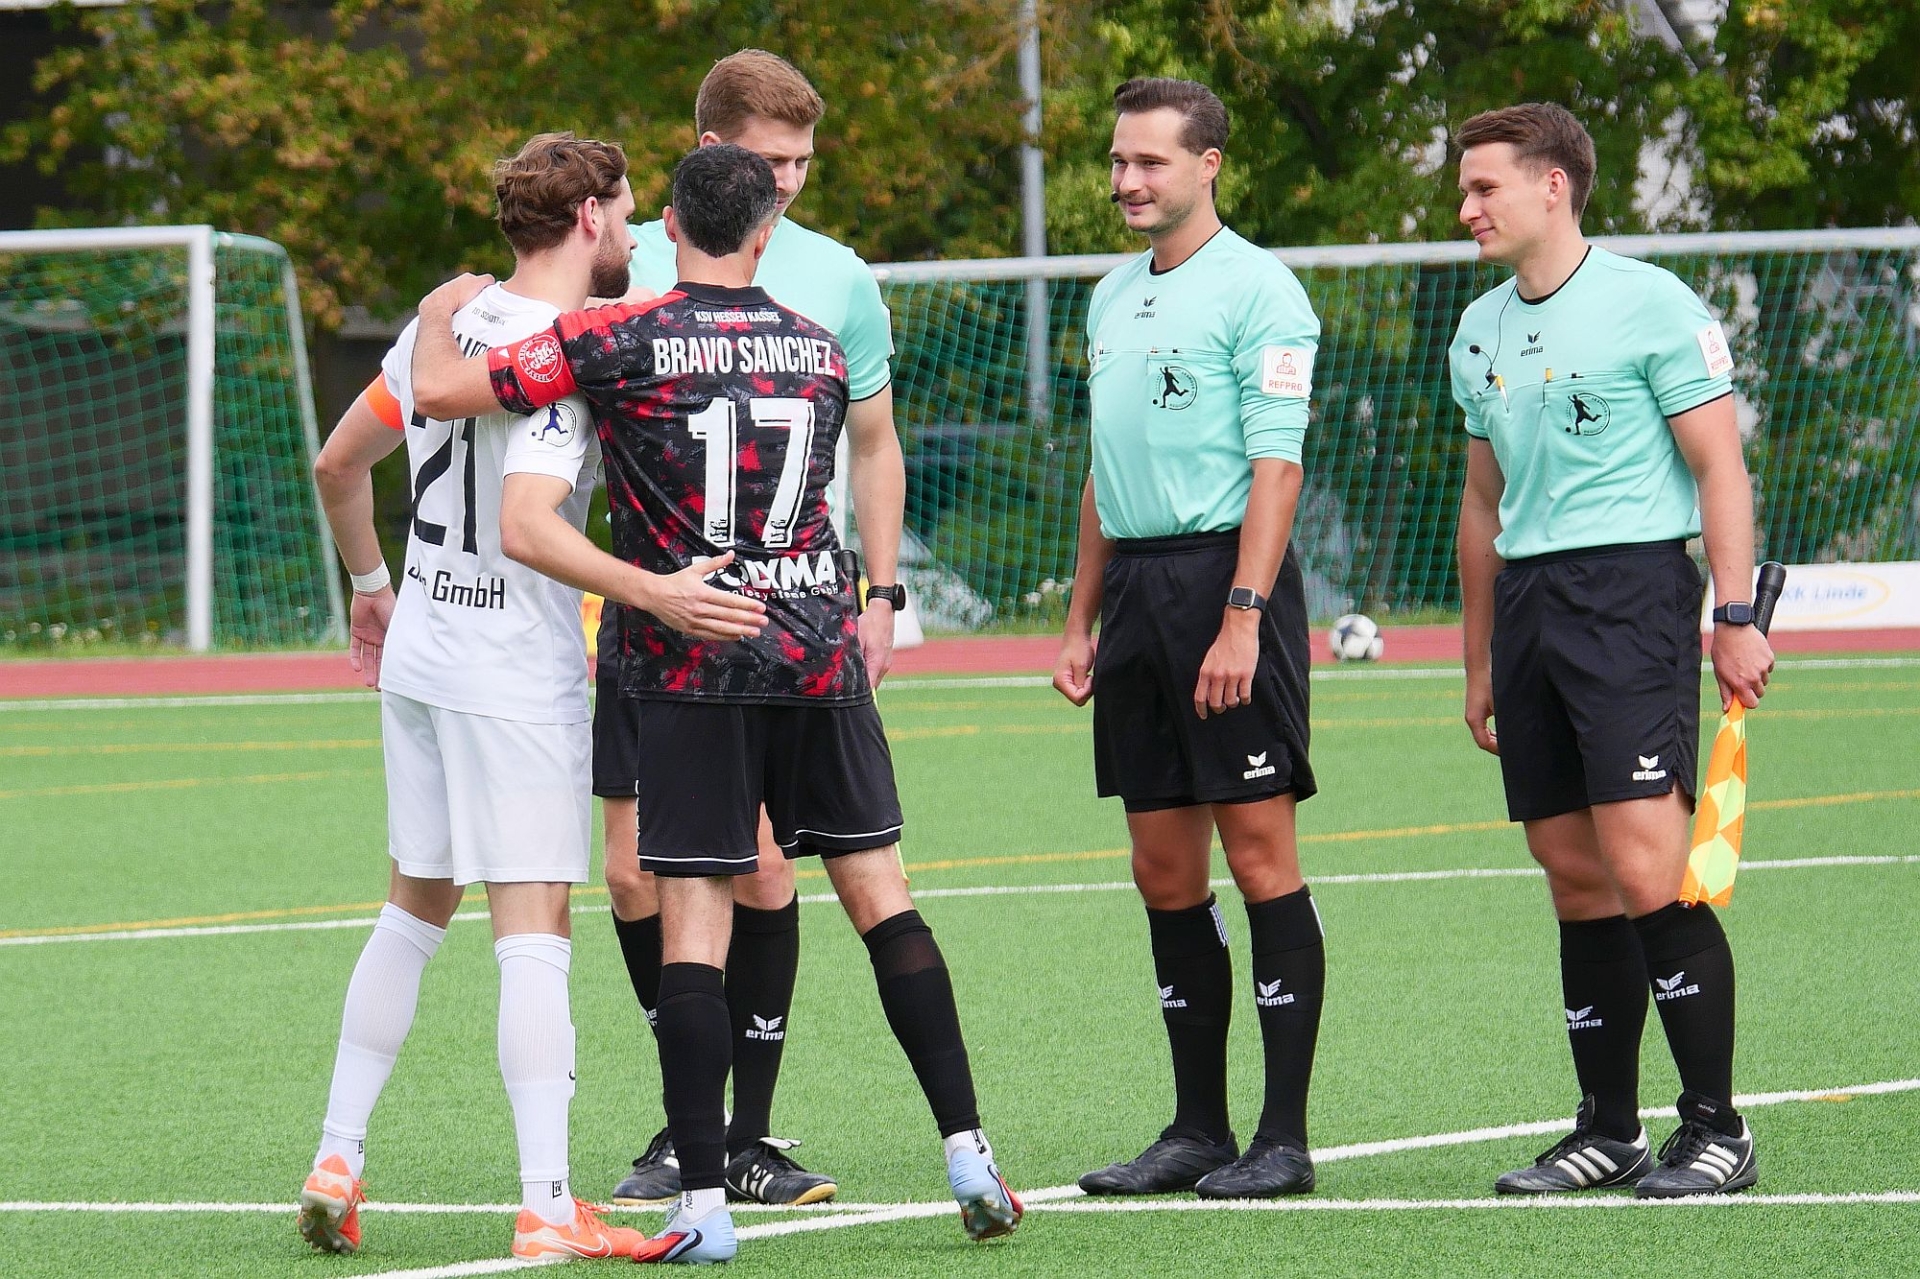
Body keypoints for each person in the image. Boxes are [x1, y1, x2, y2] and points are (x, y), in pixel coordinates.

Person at [411, 143, 1019, 1265]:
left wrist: (447, 310)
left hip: (691, 659)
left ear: (670, 230)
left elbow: (443, 391)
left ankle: (702, 1201)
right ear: (763, 233)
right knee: (884, 900)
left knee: (695, 926)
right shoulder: (820, 344)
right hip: (816, 648)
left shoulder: (615, 337)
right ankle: (969, 1153)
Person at [297, 132, 741, 1263]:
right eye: (626, 212)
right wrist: (654, 590)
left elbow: (339, 467)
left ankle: (337, 1155)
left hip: (423, 654)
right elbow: (527, 529)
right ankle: (547, 1201)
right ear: (589, 217)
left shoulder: (443, 323)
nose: (634, 232)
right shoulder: (568, 354)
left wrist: (371, 588)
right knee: (533, 930)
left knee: (412, 908)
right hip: (510, 668)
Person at [1448, 102, 1774, 1198]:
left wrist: (1735, 615)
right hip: (1530, 606)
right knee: (1573, 871)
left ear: (1554, 186)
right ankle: (1609, 1127)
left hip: (1631, 594)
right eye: (1464, 187)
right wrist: (1479, 658)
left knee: (1647, 865)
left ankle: (1718, 1127)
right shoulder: (1478, 329)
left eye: (1485, 186)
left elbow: (1721, 468)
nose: (1467, 207)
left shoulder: (1653, 304)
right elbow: (1481, 501)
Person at [598, 48, 905, 1210]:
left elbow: (874, 442)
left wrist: (884, 594)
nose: (788, 185)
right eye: (771, 162)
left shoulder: (839, 279)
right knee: (632, 873)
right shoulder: (629, 258)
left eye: (804, 163)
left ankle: (745, 1134)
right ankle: (688, 1120)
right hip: (644, 612)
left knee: (764, 867)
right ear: (710, 152)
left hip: (784, 622)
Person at [1053, 77, 1326, 1200]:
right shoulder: (1109, 297)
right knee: (1162, 868)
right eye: (1119, 161)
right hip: (1137, 597)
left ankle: (1283, 1138)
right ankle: (1197, 1129)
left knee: (1259, 858)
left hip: (1228, 585)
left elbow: (1277, 467)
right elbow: (1103, 469)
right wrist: (1080, 617)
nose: (1127, 180)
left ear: (1208, 164)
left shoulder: (1262, 290)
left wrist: (1242, 617)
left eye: (1150, 162)